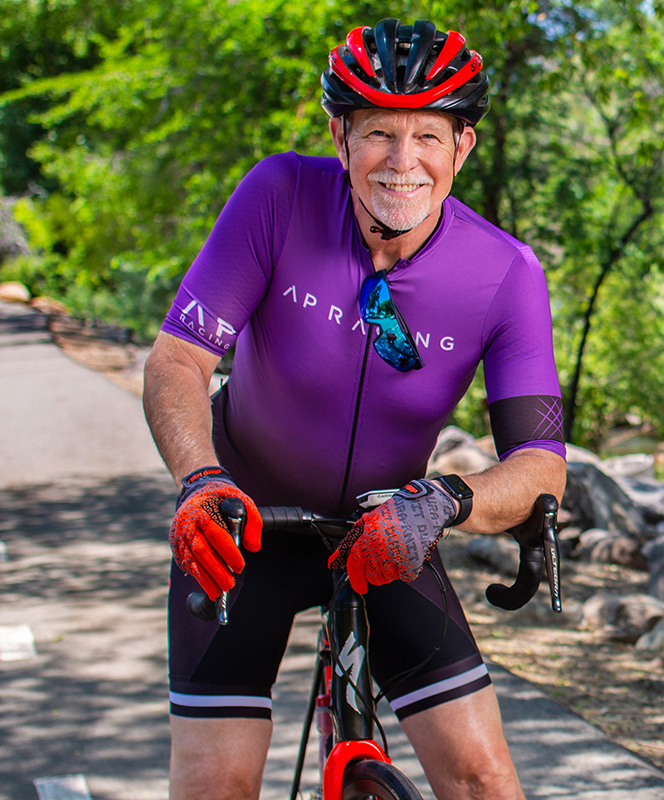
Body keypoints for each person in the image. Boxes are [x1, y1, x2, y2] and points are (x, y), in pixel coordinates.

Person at [143, 18, 566, 800]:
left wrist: (446, 503)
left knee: (483, 778)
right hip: (242, 524)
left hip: (390, 530)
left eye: (428, 138)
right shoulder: (278, 197)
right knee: (215, 783)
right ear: (340, 135)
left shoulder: (507, 273)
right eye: (379, 134)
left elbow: (540, 465)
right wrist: (198, 478)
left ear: (461, 147)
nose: (403, 164)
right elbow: (179, 358)